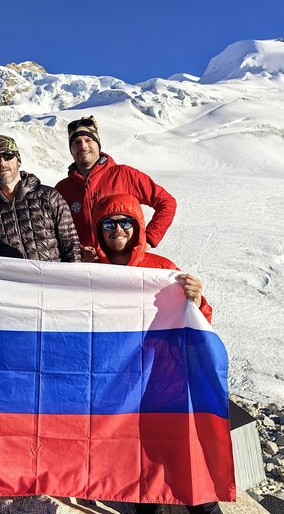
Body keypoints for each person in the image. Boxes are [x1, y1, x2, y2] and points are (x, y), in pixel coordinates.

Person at [92, 192, 218, 514]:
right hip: (123, 394)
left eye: (125, 222)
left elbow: (199, 321)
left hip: (167, 386)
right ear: (99, 229)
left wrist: (197, 299)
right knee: (143, 484)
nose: (117, 229)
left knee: (192, 477)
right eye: (108, 223)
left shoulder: (162, 270)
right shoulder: (91, 275)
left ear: (138, 227)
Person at [55, 115, 177, 262]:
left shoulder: (125, 175)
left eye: (89, 140)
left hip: (124, 266)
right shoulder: (63, 189)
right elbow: (57, 232)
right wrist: (78, 252)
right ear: (71, 149)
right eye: (76, 142)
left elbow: (166, 202)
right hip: (85, 269)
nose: (83, 146)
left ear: (98, 145)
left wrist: (149, 239)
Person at [0, 134, 80, 261]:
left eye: (8, 156)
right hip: (7, 281)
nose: (2, 163)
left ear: (18, 160)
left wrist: (71, 278)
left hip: (52, 279)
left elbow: (71, 247)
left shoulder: (49, 196)